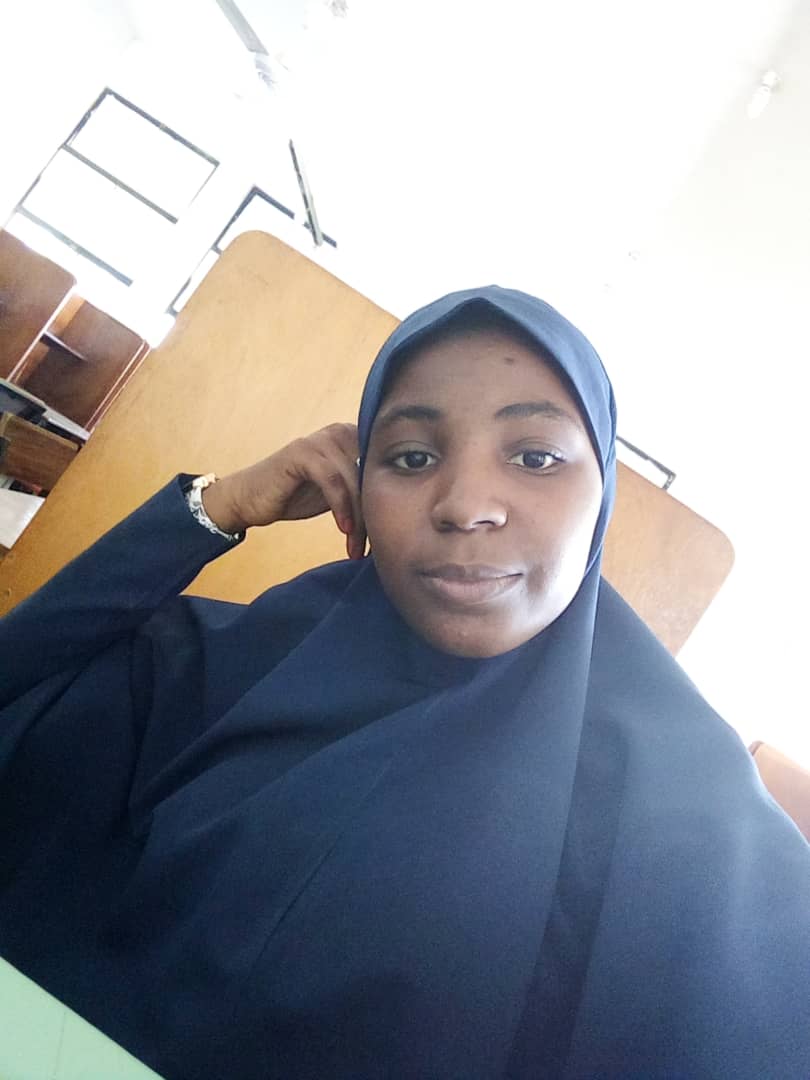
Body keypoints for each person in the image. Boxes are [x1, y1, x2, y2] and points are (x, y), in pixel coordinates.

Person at [0, 286, 808, 1079]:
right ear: (360, 484)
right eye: (412, 458)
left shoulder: (689, 816)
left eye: (535, 457)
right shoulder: (239, 660)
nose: (464, 506)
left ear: (601, 497)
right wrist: (213, 509)